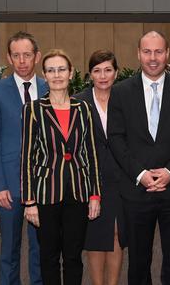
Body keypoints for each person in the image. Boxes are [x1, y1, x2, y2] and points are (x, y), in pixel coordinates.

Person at [107, 31, 170, 285]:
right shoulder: (120, 92)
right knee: (138, 260)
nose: (152, 58)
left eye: (158, 51)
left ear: (167, 54)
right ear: (138, 54)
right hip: (136, 190)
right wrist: (140, 174)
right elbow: (116, 138)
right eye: (147, 52)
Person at [21, 49, 101, 285]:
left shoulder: (83, 108)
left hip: (78, 192)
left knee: (74, 257)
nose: (57, 75)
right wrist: (29, 201)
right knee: (48, 257)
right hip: (45, 194)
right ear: (44, 75)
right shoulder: (33, 110)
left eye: (61, 69)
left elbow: (91, 153)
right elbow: (27, 157)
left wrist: (95, 194)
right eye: (51, 70)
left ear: (71, 73)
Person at [0, 31, 46, 285]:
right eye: (16, 55)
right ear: (9, 57)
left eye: (27, 55)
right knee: (9, 249)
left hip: (42, 185)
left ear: (37, 57)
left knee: (40, 248)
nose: (22, 61)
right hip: (9, 185)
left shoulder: (49, 86)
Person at [74, 50, 126, 285]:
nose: (103, 75)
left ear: (115, 73)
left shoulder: (126, 100)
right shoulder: (78, 102)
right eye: (97, 70)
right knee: (95, 236)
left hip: (121, 178)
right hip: (90, 180)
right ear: (90, 74)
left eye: (107, 70)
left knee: (117, 233)